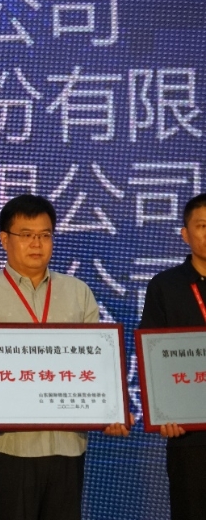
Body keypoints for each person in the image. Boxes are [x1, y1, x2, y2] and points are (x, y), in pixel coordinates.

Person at [0, 194, 130, 520]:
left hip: (66, 443)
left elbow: (97, 362)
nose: (37, 243)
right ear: (4, 239)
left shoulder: (78, 292)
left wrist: (111, 409)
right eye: (26, 235)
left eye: (45, 235)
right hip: (7, 444)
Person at [138, 193, 206, 520]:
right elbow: (152, 356)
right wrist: (162, 410)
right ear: (185, 234)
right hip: (188, 436)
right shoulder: (165, 286)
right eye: (202, 226)